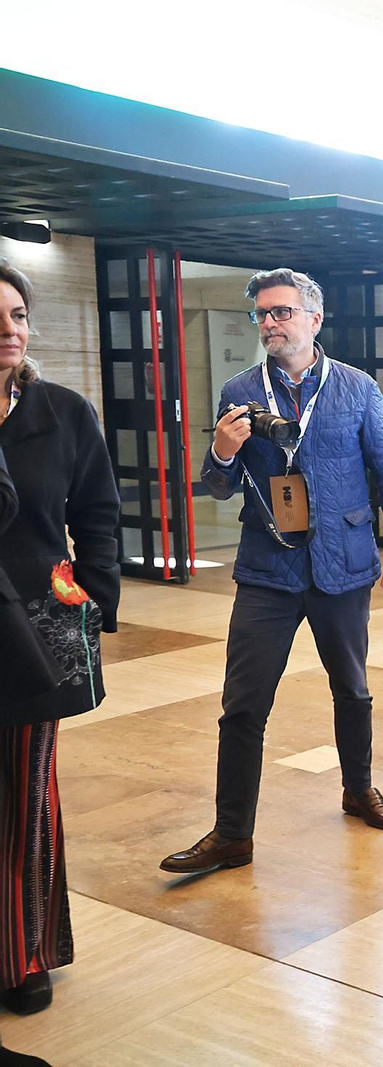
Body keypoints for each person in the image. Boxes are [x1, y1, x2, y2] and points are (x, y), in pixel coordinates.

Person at [160, 268, 383, 876]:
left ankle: (358, 788)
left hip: (343, 564)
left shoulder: (356, 388)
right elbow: (217, 488)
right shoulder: (239, 390)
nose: (271, 323)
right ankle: (231, 833)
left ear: (313, 319)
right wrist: (220, 450)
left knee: (352, 688)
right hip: (267, 568)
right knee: (243, 704)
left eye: (282, 312)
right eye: (263, 315)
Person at [0, 262, 121, 1020]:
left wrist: (95, 602)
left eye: (17, 315)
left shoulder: (62, 411)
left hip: (35, 630)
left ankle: (24, 953)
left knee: (27, 797)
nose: (9, 330)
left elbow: (99, 512)